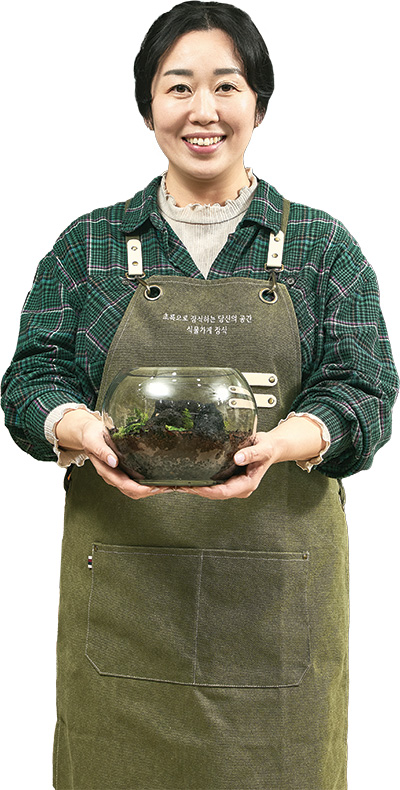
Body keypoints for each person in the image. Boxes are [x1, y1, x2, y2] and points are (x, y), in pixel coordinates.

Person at [1, 1, 398, 788]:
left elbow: (367, 388)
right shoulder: (89, 246)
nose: (203, 110)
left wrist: (285, 441)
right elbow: (31, 377)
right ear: (148, 103)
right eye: (179, 87)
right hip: (125, 597)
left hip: (276, 605)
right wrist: (77, 427)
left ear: (259, 103)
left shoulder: (321, 247)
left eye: (227, 86)